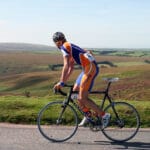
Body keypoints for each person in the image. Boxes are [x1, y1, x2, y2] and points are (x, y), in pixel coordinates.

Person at [52, 32, 110, 128]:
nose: (56, 45)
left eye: (56, 43)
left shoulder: (64, 47)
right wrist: (63, 81)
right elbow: (70, 68)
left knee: (82, 98)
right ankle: (88, 115)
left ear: (59, 42)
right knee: (74, 92)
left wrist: (61, 82)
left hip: (90, 68)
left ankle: (104, 115)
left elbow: (66, 65)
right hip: (86, 69)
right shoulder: (69, 46)